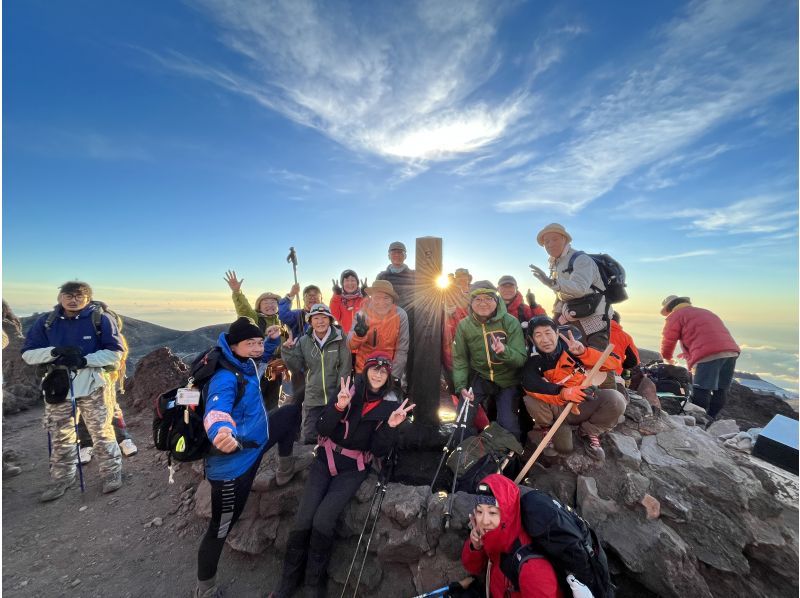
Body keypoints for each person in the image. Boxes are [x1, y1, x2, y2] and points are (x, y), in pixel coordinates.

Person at [270, 353, 414, 598]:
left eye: (383, 371)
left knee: (323, 520)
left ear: (388, 376)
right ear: (365, 371)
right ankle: (288, 581)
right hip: (325, 460)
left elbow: (378, 450)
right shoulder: (348, 391)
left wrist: (390, 426)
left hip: (353, 469)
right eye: (374, 369)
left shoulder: (390, 406)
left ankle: (313, 585)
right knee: (304, 519)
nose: (378, 374)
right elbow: (323, 428)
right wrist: (339, 406)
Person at [194, 317, 302, 598]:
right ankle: (205, 588)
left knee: (291, 412)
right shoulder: (225, 376)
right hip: (233, 465)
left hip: (255, 441)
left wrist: (273, 340)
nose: (256, 348)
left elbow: (264, 355)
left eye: (257, 342)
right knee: (221, 526)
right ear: (233, 345)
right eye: (250, 343)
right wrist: (221, 431)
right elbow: (217, 409)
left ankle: (285, 468)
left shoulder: (243, 361)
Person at [21, 281, 124, 501]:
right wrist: (54, 352)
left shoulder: (101, 320)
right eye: (68, 295)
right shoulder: (46, 322)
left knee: (101, 431)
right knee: (60, 435)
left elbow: (115, 353)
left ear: (88, 298)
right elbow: (28, 354)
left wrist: (84, 360)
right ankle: (61, 479)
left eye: (80, 295)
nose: (73, 299)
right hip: (58, 386)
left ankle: (111, 473)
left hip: (93, 384)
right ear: (60, 298)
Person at [521, 316, 625, 461]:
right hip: (558, 409)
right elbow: (530, 384)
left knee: (616, 399)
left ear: (557, 333)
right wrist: (563, 392)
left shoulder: (573, 346)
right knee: (531, 399)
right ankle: (548, 428)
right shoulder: (533, 360)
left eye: (548, 333)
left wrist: (584, 353)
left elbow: (614, 362)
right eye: (538, 335)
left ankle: (588, 431)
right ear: (532, 339)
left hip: (584, 402)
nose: (544, 339)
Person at [462, 474, 564, 598]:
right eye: (479, 511)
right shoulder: (496, 537)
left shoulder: (533, 570)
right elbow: (473, 568)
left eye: (492, 512)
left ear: (508, 514)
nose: (484, 520)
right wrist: (475, 547)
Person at [452, 281, 527, 439]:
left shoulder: (510, 322)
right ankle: (461, 455)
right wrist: (461, 386)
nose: (483, 303)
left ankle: (512, 460)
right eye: (477, 299)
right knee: (461, 421)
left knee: (508, 425)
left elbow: (520, 359)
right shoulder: (464, 326)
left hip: (508, 379)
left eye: (488, 298)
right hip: (481, 376)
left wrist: (504, 351)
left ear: (497, 300)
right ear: (471, 303)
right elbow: (460, 359)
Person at [530, 223, 612, 351]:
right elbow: (561, 293)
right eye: (546, 242)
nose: (550, 244)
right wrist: (555, 318)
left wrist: (551, 282)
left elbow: (579, 289)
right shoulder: (555, 263)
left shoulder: (581, 259)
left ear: (565, 239)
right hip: (571, 314)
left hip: (593, 318)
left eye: (555, 239)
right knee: (568, 355)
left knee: (596, 362)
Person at [659, 295, 740, 419]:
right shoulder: (705, 312)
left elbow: (668, 340)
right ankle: (711, 418)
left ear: (670, 308)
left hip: (708, 355)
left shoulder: (676, 315)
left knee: (701, 389)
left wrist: (667, 358)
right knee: (721, 389)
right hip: (730, 352)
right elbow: (705, 335)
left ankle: (698, 421)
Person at [281, 304, 353, 444]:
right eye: (316, 318)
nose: (320, 321)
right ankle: (313, 459)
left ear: (330, 320)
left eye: (324, 317)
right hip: (313, 396)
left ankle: (332, 458)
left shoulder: (341, 339)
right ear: (310, 321)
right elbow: (296, 367)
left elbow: (345, 367)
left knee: (336, 432)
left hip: (336, 396)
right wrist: (288, 351)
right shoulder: (303, 341)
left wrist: (339, 393)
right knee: (309, 435)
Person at [224, 270, 289, 409]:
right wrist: (237, 292)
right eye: (266, 302)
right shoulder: (254, 318)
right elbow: (244, 309)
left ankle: (270, 425)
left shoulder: (283, 321)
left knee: (272, 400)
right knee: (255, 400)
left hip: (276, 368)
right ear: (259, 306)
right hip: (255, 366)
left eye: (273, 302)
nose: (270, 305)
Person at [348, 280, 410, 385]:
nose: (381, 302)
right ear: (372, 298)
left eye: (386, 298)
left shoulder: (400, 315)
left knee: (390, 401)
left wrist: (394, 376)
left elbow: (402, 350)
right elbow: (350, 345)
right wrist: (359, 336)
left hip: (388, 371)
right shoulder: (362, 315)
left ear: (392, 299)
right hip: (363, 370)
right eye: (377, 297)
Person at [376, 241, 416, 383]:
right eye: (394, 252)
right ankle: (386, 384)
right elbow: (376, 299)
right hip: (387, 321)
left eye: (400, 252)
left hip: (410, 319)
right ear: (389, 255)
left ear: (405, 255)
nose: (397, 255)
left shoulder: (413, 275)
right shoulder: (382, 276)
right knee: (387, 352)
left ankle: (405, 385)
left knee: (407, 352)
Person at [279, 284, 323, 405]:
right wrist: (291, 295)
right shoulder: (298, 315)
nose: (312, 297)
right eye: (308, 295)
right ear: (303, 299)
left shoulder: (326, 316)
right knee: (299, 395)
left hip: (319, 364)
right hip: (300, 363)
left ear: (321, 298)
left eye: (315, 295)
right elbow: (283, 315)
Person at [330, 269, 366, 335]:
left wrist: (366, 296)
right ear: (342, 284)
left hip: (363, 339)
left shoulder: (362, 297)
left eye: (353, 280)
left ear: (357, 283)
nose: (350, 283)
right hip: (344, 339)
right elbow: (333, 316)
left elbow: (373, 314)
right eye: (346, 280)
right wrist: (336, 295)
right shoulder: (338, 299)